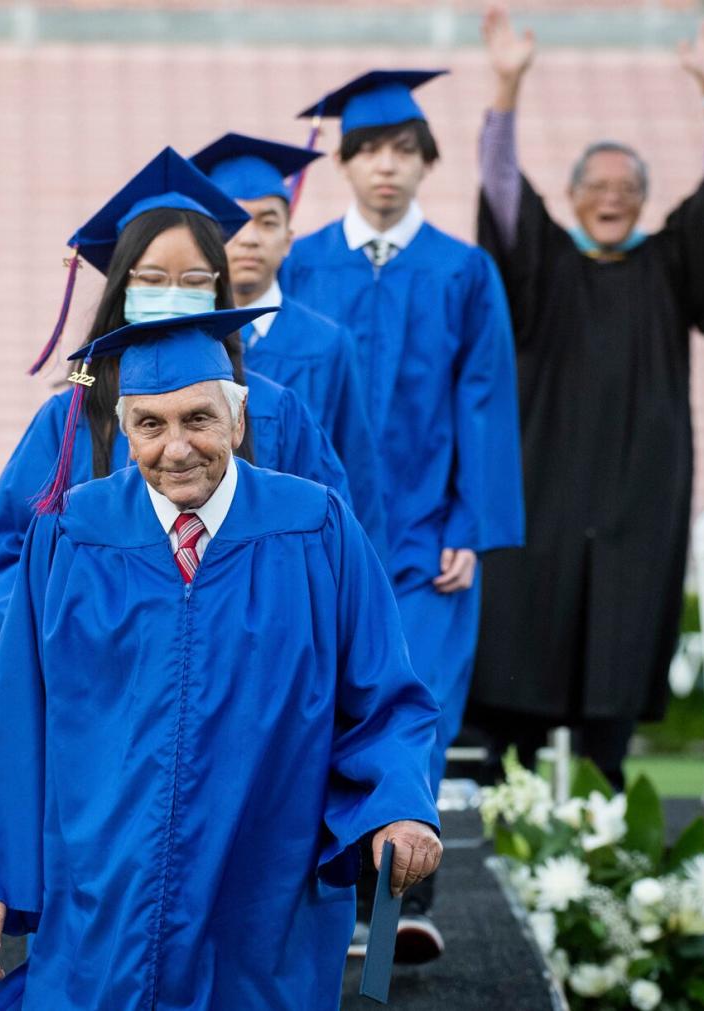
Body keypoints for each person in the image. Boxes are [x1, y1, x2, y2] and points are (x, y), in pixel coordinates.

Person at [0, 307, 442, 1009]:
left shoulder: (316, 525)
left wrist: (400, 807)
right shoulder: (70, 537)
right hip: (104, 890)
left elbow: (383, 699)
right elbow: (14, 718)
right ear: (124, 431)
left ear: (238, 421)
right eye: (150, 424)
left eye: (198, 419)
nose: (176, 447)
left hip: (265, 885)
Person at [467, 8, 704, 790]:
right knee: (524, 615)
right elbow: (499, 191)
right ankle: (508, 781)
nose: (611, 197)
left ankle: (606, 781)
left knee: (624, 627)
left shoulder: (667, 265)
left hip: (640, 485)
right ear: (570, 195)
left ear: (643, 201)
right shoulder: (544, 265)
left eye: (628, 187)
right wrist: (506, 86)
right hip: (543, 481)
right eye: (595, 185)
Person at [280, 70, 525, 958]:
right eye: (370, 150)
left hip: (425, 541)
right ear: (345, 164)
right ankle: (315, 909)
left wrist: (471, 524)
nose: (387, 166)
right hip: (323, 539)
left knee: (412, 716)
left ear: (427, 164)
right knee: (314, 713)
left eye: (405, 151)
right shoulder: (301, 263)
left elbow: (485, 399)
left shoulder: (463, 270)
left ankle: (395, 917)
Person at [0, 147, 355, 657]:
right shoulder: (70, 419)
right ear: (121, 288)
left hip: (248, 677)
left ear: (219, 290)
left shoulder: (273, 411)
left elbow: (335, 553)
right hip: (106, 683)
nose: (172, 294)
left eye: (193, 280)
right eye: (150, 279)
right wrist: (66, 649)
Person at [189, 132, 387, 549]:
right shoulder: (184, 340)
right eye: (233, 224)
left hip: (295, 553)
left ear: (288, 240)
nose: (249, 238)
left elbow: (356, 468)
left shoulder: (328, 344)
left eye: (267, 222)